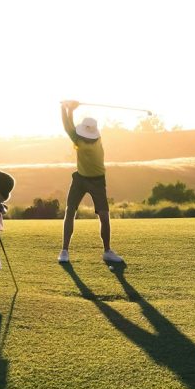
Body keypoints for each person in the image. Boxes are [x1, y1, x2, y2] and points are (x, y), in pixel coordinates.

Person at [57, 100, 125, 266]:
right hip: (80, 179)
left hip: (97, 181)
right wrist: (67, 109)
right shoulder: (83, 138)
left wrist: (67, 108)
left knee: (103, 215)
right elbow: (68, 126)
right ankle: (64, 250)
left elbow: (68, 126)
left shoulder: (82, 140)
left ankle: (107, 251)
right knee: (70, 211)